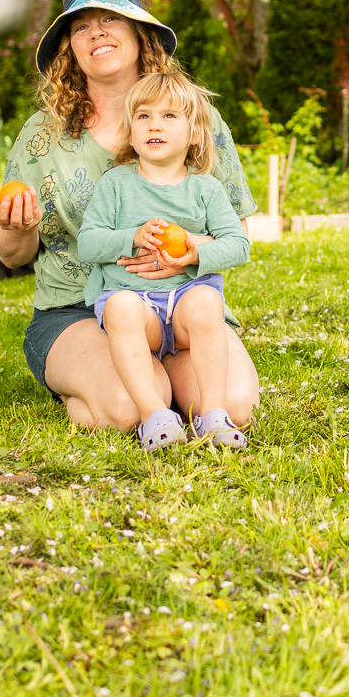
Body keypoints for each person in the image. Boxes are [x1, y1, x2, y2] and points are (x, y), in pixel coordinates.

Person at [0, 0, 262, 431]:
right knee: (129, 409)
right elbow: (10, 256)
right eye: (79, 27)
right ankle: (103, 387)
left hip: (183, 302)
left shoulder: (197, 118)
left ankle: (168, 387)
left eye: (111, 18)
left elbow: (237, 233)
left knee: (233, 407)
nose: (96, 32)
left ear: (140, 33)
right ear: (68, 49)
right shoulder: (42, 135)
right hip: (78, 310)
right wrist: (17, 227)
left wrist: (187, 252)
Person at [80, 73, 251, 449]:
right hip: (139, 311)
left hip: (187, 308)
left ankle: (213, 414)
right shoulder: (116, 185)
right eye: (143, 117)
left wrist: (195, 251)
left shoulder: (206, 188)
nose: (154, 124)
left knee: (207, 300)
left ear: (194, 133)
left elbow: (238, 245)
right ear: (130, 132)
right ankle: (153, 413)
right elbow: (88, 244)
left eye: (169, 116)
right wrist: (131, 237)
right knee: (120, 306)